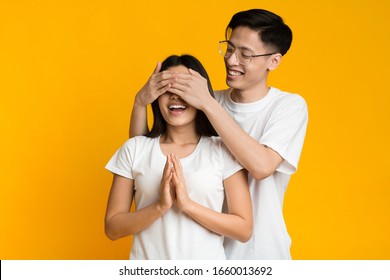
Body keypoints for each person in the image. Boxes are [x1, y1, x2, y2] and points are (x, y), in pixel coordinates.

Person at [129, 9, 308, 260]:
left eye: (245, 54)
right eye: (230, 48)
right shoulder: (206, 100)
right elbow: (141, 158)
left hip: (260, 252)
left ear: (273, 61)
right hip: (203, 253)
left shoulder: (288, 106)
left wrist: (208, 104)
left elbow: (262, 166)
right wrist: (140, 103)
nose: (232, 60)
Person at [105, 54, 253, 260]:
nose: (175, 95)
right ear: (155, 96)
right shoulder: (134, 148)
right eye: (167, 88)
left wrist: (187, 205)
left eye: (184, 87)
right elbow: (112, 227)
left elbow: (244, 229)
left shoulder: (223, 150)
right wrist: (160, 206)